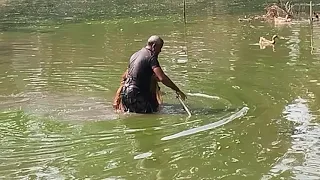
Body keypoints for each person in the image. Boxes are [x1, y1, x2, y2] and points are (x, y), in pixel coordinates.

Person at [117, 35, 186, 114]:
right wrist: (177, 90)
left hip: (126, 94)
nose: (160, 51)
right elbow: (162, 78)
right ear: (154, 46)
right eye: (160, 48)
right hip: (137, 95)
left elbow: (128, 76)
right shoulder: (151, 57)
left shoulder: (135, 55)